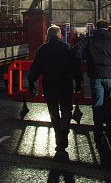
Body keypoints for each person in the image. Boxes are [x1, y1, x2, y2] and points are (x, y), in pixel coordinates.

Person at [28, 25, 83, 160]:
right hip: (64, 83)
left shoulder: (43, 49)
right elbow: (75, 66)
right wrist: (78, 81)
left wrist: (31, 82)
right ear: (59, 36)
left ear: (48, 36)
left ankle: (58, 135)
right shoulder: (67, 48)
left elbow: (36, 67)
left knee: (53, 111)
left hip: (49, 84)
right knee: (66, 109)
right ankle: (64, 128)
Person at [72, 19, 111, 144]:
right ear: (107, 28)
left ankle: (98, 133)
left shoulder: (90, 39)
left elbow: (76, 49)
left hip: (95, 75)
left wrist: (84, 59)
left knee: (97, 105)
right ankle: (110, 129)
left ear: (96, 27)